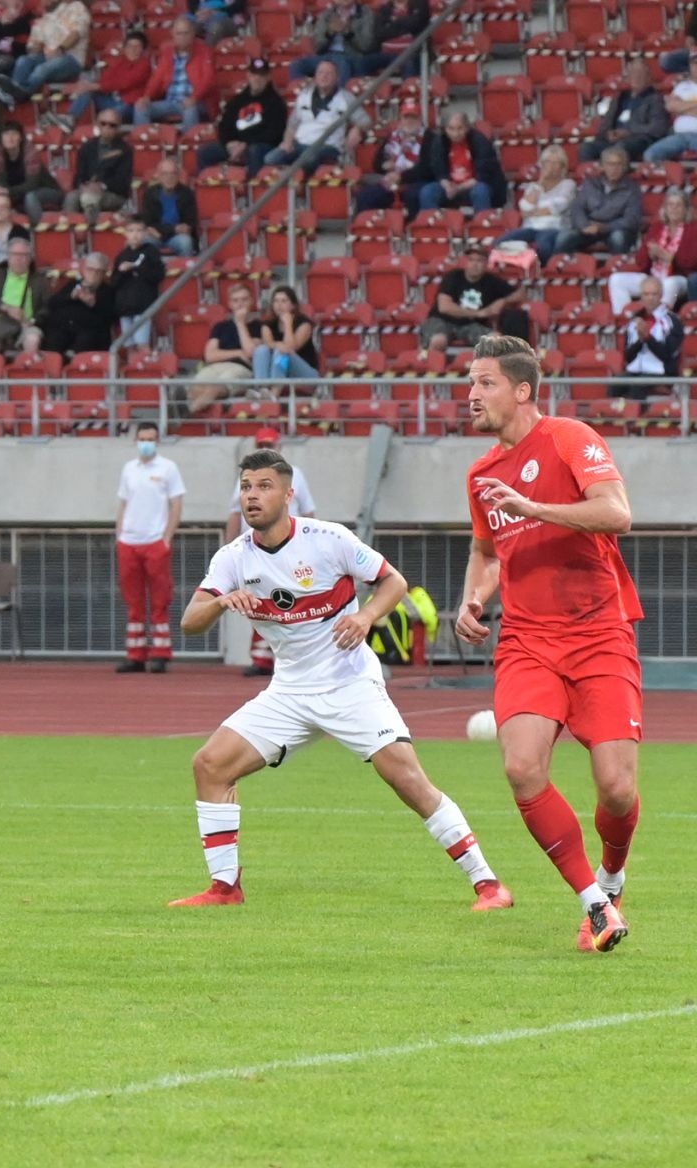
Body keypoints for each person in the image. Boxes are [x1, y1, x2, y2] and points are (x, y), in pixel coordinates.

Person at [172, 449, 512, 910]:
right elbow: (190, 621)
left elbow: (394, 582)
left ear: (288, 495)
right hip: (290, 691)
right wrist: (219, 601)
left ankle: (489, 884)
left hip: (349, 683)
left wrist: (366, 617)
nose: (252, 496)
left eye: (264, 486)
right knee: (209, 765)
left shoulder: (328, 539)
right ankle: (225, 888)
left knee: (406, 778)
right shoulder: (233, 558)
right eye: (246, 487)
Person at [456, 334, 641, 953]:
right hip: (527, 639)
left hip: (598, 633)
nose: (471, 393)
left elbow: (616, 513)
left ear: (522, 390)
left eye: (484, 382)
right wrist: (473, 598)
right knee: (521, 767)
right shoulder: (480, 473)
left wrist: (533, 506)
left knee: (617, 789)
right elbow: (487, 553)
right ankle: (594, 905)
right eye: (470, 382)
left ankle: (612, 879)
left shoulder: (568, 437)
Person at [224, 426, 318, 676]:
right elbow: (235, 513)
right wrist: (229, 549)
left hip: (289, 549)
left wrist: (311, 546)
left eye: (270, 445)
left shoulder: (294, 475)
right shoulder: (247, 478)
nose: (266, 449)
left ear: (280, 447)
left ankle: (294, 658)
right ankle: (262, 658)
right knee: (261, 602)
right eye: (261, 445)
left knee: (294, 602)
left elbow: (308, 512)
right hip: (256, 549)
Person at [113, 423, 183, 674]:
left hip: (154, 541)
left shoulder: (168, 468)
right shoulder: (129, 469)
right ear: (136, 440)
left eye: (150, 439)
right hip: (129, 542)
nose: (146, 443)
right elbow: (123, 503)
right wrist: (119, 534)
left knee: (160, 598)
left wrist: (166, 538)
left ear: (157, 441)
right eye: (142, 439)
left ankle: (161, 653)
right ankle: (136, 654)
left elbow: (176, 503)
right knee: (133, 600)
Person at [420, 245, 529, 355]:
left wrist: (503, 301)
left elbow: (521, 293)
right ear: (465, 262)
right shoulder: (453, 277)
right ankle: (429, 363)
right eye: (471, 260)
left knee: (496, 340)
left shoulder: (492, 281)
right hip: (442, 320)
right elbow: (444, 307)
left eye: (479, 261)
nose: (474, 264)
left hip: (470, 325)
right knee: (439, 341)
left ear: (486, 264)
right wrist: (479, 313)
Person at [263, 60, 367, 173]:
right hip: (300, 144)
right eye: (320, 73)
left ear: (337, 78)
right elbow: (292, 124)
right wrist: (287, 141)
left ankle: (296, 173)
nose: (324, 76)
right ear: (315, 77)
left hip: (327, 146)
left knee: (308, 158)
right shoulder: (304, 95)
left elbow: (366, 121)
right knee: (270, 159)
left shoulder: (346, 97)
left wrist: (357, 129)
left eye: (329, 73)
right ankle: (295, 173)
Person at [607, 188, 697, 312]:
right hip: (654, 275)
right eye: (670, 205)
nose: (674, 209)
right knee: (616, 280)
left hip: (680, 279)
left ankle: (659, 320)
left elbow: (692, 263)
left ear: (686, 209)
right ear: (665, 208)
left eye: (678, 205)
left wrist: (670, 258)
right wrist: (649, 254)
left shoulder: (693, 229)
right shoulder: (657, 227)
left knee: (669, 284)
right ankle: (626, 319)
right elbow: (640, 260)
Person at [185, 283, 266, 415]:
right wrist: (238, 352)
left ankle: (186, 416)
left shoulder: (259, 326)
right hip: (216, 366)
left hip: (241, 368)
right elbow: (210, 355)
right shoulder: (220, 326)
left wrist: (240, 323)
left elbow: (251, 352)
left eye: (244, 299)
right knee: (195, 388)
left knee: (214, 389)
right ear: (230, 304)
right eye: (236, 300)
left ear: (252, 301)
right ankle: (192, 412)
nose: (240, 304)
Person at [196, 57, 286, 176]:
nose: (257, 79)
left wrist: (245, 144)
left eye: (262, 75)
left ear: (268, 77)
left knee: (254, 150)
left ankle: (254, 185)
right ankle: (207, 183)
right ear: (248, 75)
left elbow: (274, 133)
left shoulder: (276, 102)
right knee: (205, 152)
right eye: (254, 74)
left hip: (261, 146)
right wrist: (229, 143)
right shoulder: (238, 100)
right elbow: (224, 125)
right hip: (236, 146)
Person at [407, 109, 506, 215]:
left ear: (467, 128)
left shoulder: (479, 141)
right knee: (428, 192)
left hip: (473, 185)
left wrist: (458, 188)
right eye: (451, 129)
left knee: (480, 191)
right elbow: (438, 170)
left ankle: (483, 222)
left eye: (460, 128)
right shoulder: (439, 141)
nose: (456, 133)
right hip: (449, 185)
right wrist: (447, 185)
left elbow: (483, 175)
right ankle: (433, 223)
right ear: (445, 129)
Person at [555, 147, 644, 258]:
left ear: (624, 167)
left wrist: (603, 227)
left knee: (618, 238)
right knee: (564, 237)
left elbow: (631, 219)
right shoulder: (591, 184)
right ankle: (562, 267)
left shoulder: (632, 189)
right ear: (602, 166)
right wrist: (584, 225)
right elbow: (577, 207)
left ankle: (617, 268)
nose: (614, 169)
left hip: (615, 229)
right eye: (610, 164)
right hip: (589, 227)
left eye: (618, 164)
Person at [494, 145, 577, 264]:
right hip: (530, 228)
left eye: (555, 163)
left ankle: (543, 270)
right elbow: (524, 208)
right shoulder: (534, 186)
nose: (551, 166)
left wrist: (532, 212)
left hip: (554, 227)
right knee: (500, 242)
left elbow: (559, 206)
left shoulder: (568, 184)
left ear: (562, 166)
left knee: (543, 246)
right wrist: (540, 183)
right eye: (547, 162)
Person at [581, 58, 669, 162]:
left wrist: (629, 132)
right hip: (613, 140)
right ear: (628, 77)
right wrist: (608, 134)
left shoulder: (655, 99)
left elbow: (658, 128)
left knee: (620, 148)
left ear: (649, 78)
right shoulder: (620, 98)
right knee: (587, 148)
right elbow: (605, 124)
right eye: (634, 73)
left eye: (641, 74)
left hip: (637, 140)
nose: (637, 77)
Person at [0, 238, 49, 358]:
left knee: (32, 339)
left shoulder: (40, 281)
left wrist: (33, 321)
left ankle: (27, 368)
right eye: (15, 255)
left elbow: (48, 307)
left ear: (30, 259)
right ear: (8, 257)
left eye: (24, 255)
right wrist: (6, 308)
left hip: (27, 325)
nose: (19, 259)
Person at [136, 17, 215, 127]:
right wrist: (147, 97)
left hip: (196, 102)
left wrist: (194, 97)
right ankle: (143, 137)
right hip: (170, 102)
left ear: (193, 34)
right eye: (179, 33)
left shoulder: (204, 51)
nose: (182, 37)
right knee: (141, 107)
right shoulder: (167, 53)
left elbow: (208, 80)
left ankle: (188, 138)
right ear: (172, 34)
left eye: (186, 33)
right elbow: (157, 79)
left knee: (190, 110)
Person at [37, 252, 118, 356]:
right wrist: (70, 296)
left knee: (86, 338)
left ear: (104, 273)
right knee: (54, 339)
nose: (93, 274)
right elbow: (52, 303)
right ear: (84, 269)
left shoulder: (108, 291)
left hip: (90, 334)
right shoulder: (73, 284)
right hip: (64, 329)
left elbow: (111, 317)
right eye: (90, 269)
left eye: (98, 271)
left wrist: (94, 304)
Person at [66, 29, 150, 125]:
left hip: (129, 105)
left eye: (137, 46)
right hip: (112, 100)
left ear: (143, 49)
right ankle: (70, 119)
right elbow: (106, 79)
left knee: (109, 117)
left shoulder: (145, 64)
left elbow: (123, 83)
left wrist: (94, 86)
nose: (132, 49)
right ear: (125, 48)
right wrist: (89, 86)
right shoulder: (121, 62)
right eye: (129, 46)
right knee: (87, 91)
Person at [618, 275, 682, 399]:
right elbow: (627, 356)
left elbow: (669, 355)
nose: (650, 298)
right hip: (636, 371)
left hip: (662, 372)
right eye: (646, 294)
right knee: (614, 384)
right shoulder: (634, 321)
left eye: (654, 294)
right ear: (641, 296)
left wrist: (648, 338)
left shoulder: (672, 321)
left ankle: (638, 412)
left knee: (638, 385)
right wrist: (640, 341)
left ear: (661, 295)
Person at [291, 0, 388, 83]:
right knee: (297, 65)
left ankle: (339, 96)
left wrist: (347, 32)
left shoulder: (366, 14)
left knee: (341, 62)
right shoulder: (326, 14)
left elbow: (366, 46)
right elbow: (317, 47)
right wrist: (329, 33)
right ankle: (304, 96)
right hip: (327, 56)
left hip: (352, 56)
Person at [351, 106, 425, 214]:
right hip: (390, 180)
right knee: (366, 196)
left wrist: (401, 176)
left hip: (414, 181)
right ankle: (372, 224)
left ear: (420, 120)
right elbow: (376, 164)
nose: (409, 121)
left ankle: (411, 224)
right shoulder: (392, 137)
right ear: (400, 119)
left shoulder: (429, 138)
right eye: (406, 117)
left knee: (413, 195)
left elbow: (426, 169)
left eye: (413, 118)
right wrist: (384, 165)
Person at [63, 109, 134, 217]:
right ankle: (71, 226)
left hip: (113, 194)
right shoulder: (87, 147)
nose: (107, 128)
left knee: (89, 198)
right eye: (103, 123)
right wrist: (84, 186)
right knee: (71, 197)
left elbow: (122, 182)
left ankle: (91, 226)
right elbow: (79, 175)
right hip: (87, 189)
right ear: (97, 124)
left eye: (112, 125)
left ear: (118, 127)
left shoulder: (125, 150)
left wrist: (102, 186)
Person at [0, 122, 64, 222]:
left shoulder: (30, 151)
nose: (10, 138)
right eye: (6, 134)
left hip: (47, 190)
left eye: (14, 134)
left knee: (30, 197)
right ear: (1, 138)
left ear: (20, 137)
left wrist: (8, 192)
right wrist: (5, 195)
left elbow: (32, 185)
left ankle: (36, 229)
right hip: (18, 193)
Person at [12, 0, 90, 94]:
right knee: (23, 61)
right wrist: (37, 47)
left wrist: (60, 49)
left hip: (72, 59)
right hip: (47, 58)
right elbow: (34, 46)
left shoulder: (77, 8)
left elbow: (77, 33)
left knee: (42, 69)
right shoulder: (45, 17)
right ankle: (15, 91)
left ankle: (20, 93)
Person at [110, 221, 166, 347]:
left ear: (145, 233)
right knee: (129, 345)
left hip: (143, 306)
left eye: (139, 230)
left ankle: (146, 360)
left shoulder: (151, 252)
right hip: (125, 307)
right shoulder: (121, 256)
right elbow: (114, 282)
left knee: (142, 343)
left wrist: (136, 268)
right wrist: (122, 272)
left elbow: (158, 275)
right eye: (131, 231)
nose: (135, 234)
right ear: (125, 234)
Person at [253, 285, 321, 383]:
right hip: (278, 370)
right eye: (276, 301)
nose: (279, 305)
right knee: (261, 350)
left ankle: (274, 390)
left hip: (306, 372)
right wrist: (278, 345)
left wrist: (288, 324)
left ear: (293, 305)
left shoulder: (304, 324)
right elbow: (267, 344)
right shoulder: (268, 325)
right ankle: (261, 387)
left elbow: (290, 348)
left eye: (284, 301)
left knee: (282, 353)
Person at [137, 156, 198, 257]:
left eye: (173, 173)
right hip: (155, 236)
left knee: (185, 242)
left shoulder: (187, 193)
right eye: (165, 174)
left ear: (178, 176)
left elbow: (190, 222)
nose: (169, 177)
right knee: (139, 240)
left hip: (177, 237)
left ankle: (185, 267)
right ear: (158, 176)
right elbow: (148, 223)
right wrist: (174, 229)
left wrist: (183, 229)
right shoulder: (150, 193)